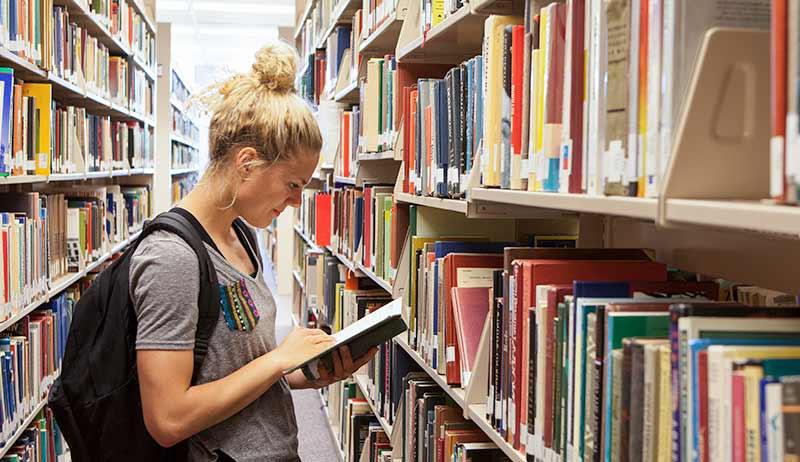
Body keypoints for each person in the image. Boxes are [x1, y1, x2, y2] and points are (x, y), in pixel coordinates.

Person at [129, 41, 375, 461]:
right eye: (293, 184)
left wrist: (308, 370)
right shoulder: (171, 259)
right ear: (247, 164)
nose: (298, 201)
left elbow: (237, 369)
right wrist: (279, 360)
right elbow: (167, 420)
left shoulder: (242, 236)